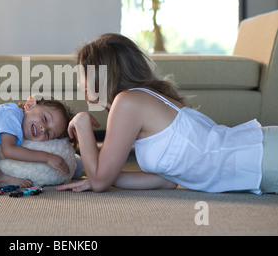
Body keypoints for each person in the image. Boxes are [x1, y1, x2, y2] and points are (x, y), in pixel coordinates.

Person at [56, 33, 278, 195]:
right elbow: (166, 181)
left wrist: (82, 121)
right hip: (261, 157)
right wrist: (99, 176)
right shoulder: (142, 99)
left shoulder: (128, 102)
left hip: (262, 158)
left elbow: (100, 182)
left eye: (82, 74)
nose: (79, 83)